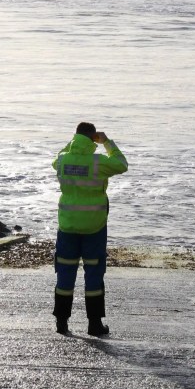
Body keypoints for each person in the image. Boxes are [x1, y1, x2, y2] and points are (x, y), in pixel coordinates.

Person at [52, 122, 128, 336]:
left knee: (65, 274)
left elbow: (56, 159)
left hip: (67, 225)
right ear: (93, 137)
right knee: (94, 275)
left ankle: (61, 322)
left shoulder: (63, 160)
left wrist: (74, 143)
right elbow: (122, 164)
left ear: (75, 137)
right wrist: (107, 143)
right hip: (94, 226)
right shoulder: (98, 162)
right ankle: (94, 324)